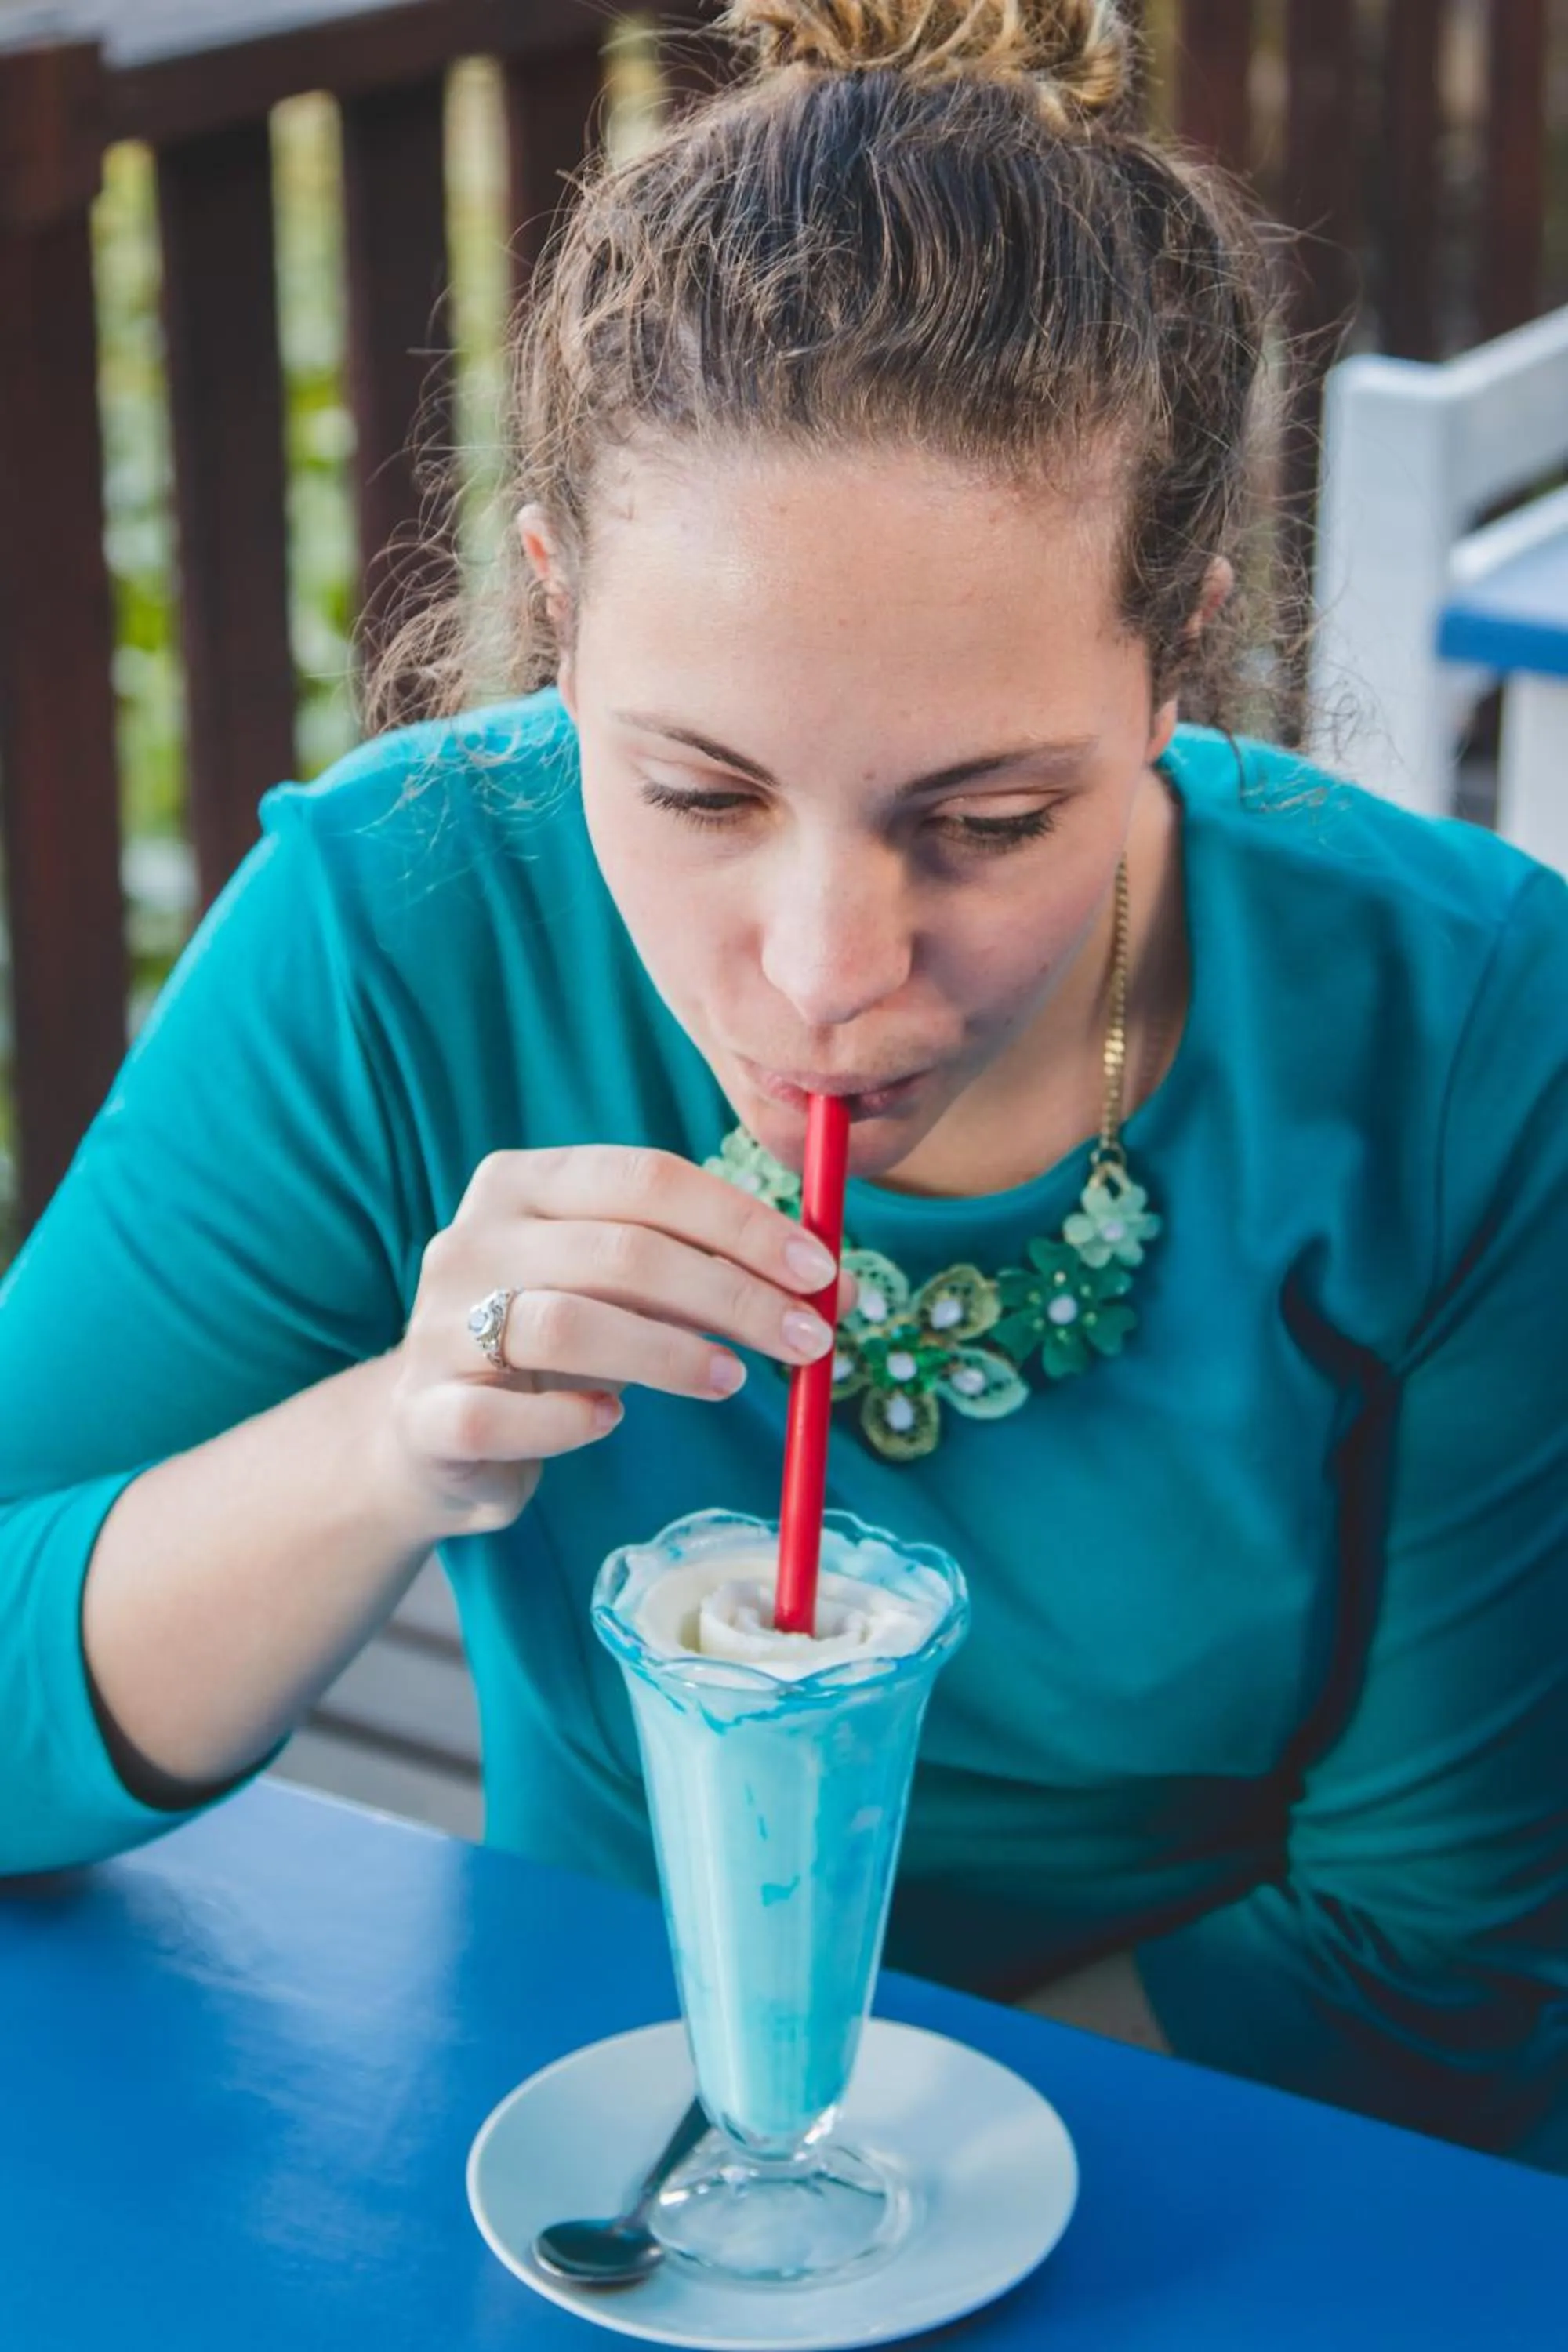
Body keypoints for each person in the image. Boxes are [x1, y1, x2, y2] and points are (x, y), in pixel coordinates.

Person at [3, 0, 1566, 2172]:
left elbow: (1444, 1970)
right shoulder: (403, 925)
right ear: (558, 621)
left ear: (1178, 662)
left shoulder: (1469, 1023)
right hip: (582, 2122)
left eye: (994, 820)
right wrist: (398, 1436)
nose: (830, 973)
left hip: (1219, 2175)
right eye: (699, 789)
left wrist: (813, 2179)